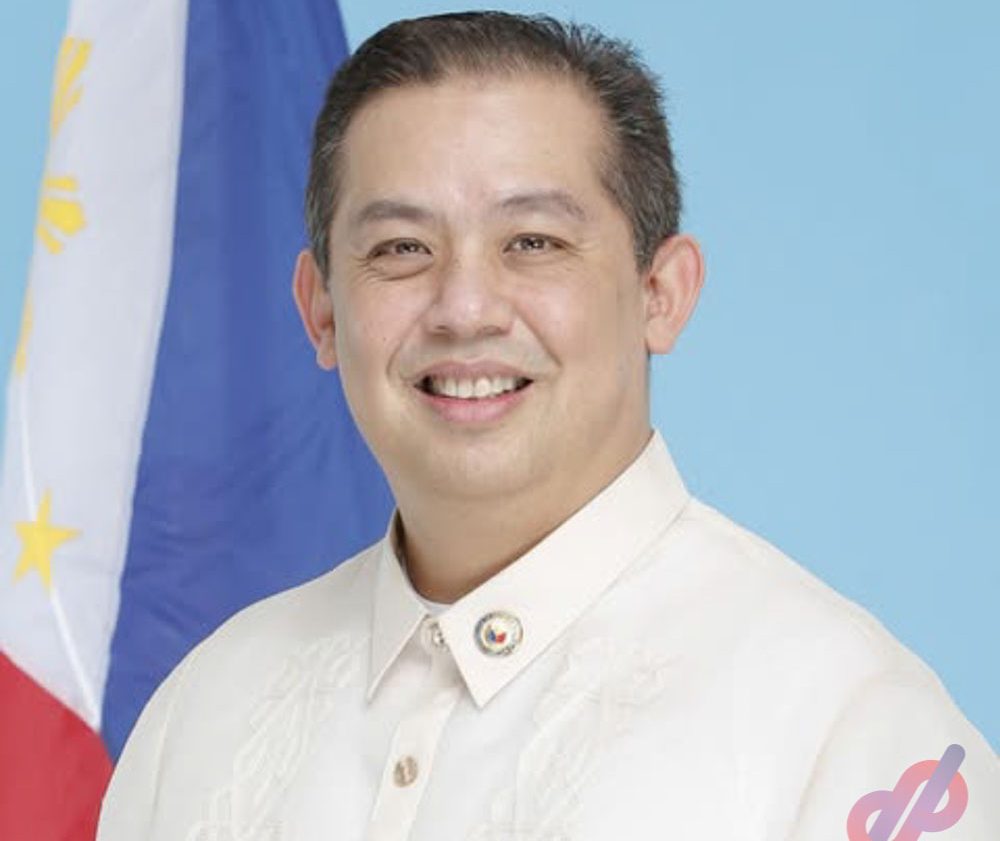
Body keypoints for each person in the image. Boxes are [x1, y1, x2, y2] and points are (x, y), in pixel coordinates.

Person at [97, 11, 998, 840]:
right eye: (402, 248)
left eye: (533, 242)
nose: (465, 307)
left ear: (661, 293)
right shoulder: (201, 717)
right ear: (322, 312)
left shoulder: (845, 729)